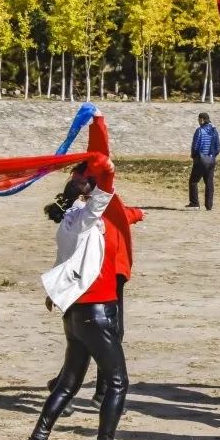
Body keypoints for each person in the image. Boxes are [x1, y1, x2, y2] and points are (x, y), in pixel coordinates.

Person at [21, 153, 133, 440]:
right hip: (96, 309)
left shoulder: (70, 217)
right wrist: (99, 135)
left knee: (69, 381)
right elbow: (106, 186)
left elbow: (65, 258)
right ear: (91, 191)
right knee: (117, 381)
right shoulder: (89, 215)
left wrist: (53, 294)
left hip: (74, 312)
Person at [47, 113, 145, 413]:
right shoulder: (90, 212)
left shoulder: (85, 213)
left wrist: (137, 213)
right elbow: (101, 154)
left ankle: (88, 392)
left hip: (104, 279)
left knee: (94, 341)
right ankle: (73, 389)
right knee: (100, 339)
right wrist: (98, 122)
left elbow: (124, 214)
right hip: (99, 283)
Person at [187, 112, 220, 210]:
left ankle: (194, 203)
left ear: (202, 120)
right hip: (212, 160)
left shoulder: (200, 131)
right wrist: (213, 156)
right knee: (209, 182)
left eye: (198, 119)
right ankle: (209, 205)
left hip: (201, 159)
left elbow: (196, 145)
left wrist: (194, 156)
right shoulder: (214, 131)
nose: (198, 121)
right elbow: (218, 147)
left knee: (193, 181)